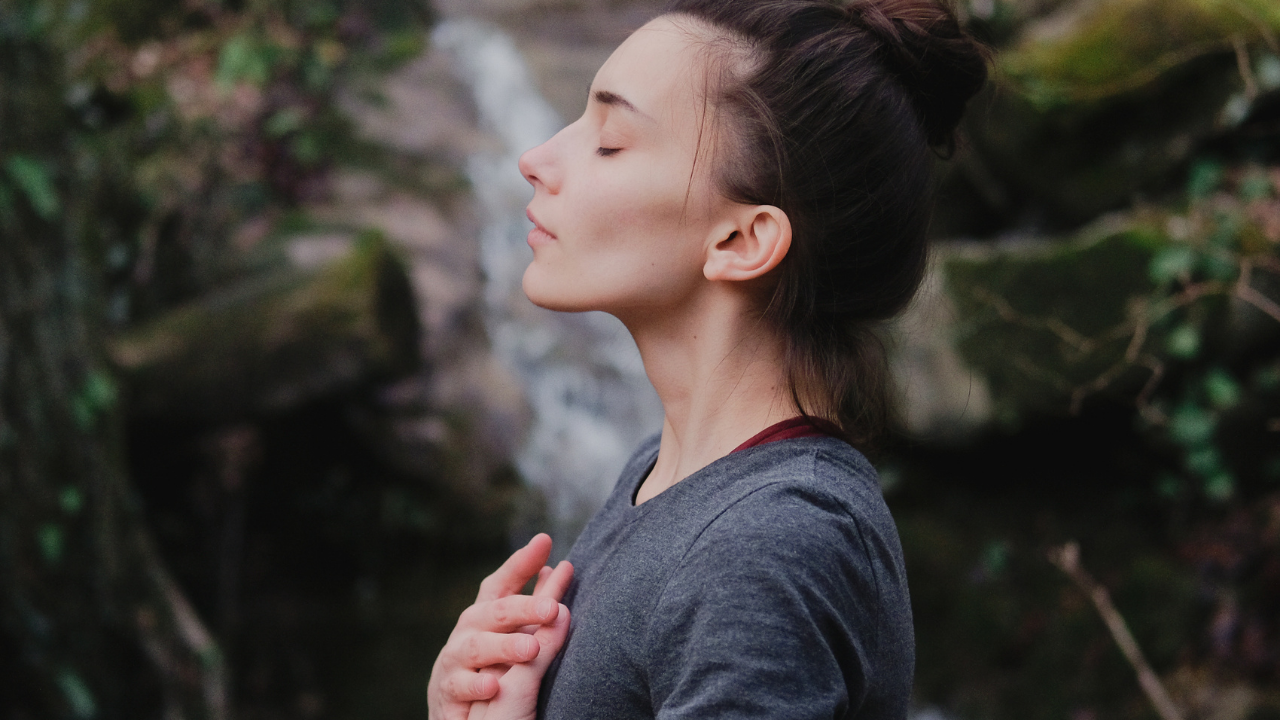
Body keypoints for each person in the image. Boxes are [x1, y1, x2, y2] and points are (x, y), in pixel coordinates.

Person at [427, 0, 988, 717]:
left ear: (741, 241)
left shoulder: (769, 543)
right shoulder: (664, 478)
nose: (536, 161)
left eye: (611, 141)